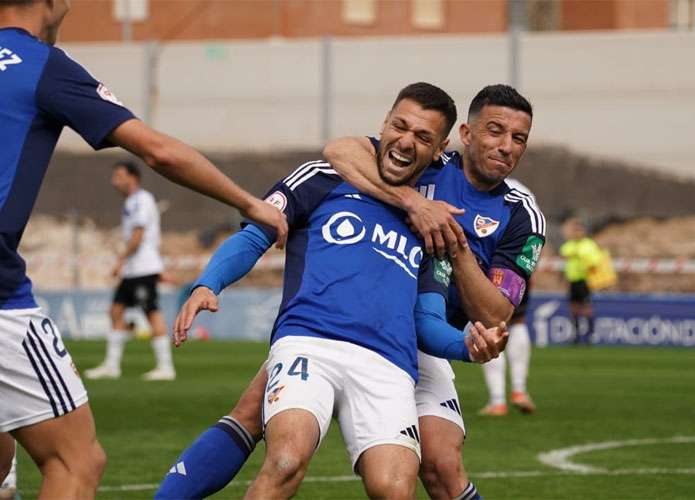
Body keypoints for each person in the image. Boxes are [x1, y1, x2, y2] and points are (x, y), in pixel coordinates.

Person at [157, 83, 508, 500]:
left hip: (388, 364)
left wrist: (468, 345)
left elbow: (426, 319)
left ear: (439, 150)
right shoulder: (323, 179)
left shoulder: (431, 223)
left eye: (423, 137)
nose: (406, 141)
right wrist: (207, 283)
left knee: (395, 489)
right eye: (400, 126)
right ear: (384, 123)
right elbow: (256, 236)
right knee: (286, 458)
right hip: (310, 344)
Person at [0, 1, 288, 497]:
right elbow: (159, 150)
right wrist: (251, 204)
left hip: (133, 266)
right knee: (76, 461)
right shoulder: (42, 65)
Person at [324, 84, 545, 499]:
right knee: (271, 437)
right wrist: (415, 204)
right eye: (495, 131)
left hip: (428, 339)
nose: (506, 146)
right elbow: (340, 151)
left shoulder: (521, 216)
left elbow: (496, 313)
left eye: (519, 139)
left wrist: (456, 244)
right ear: (466, 133)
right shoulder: (427, 161)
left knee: (443, 467)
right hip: (354, 324)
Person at [84, 161, 175, 381]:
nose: (114, 181)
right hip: (134, 269)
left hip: (142, 267)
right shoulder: (132, 202)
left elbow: (139, 234)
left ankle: (165, 367)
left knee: (151, 312)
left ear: (132, 177)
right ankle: (112, 365)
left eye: (119, 176)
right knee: (116, 311)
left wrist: (120, 260)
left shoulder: (141, 200)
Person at [478, 178, 538, 416]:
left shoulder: (476, 187)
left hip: (485, 267)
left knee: (488, 325)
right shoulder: (523, 190)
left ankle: (497, 400)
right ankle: (520, 391)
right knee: (519, 322)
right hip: (517, 265)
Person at [559, 217, 602, 345]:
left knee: (586, 308)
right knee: (574, 308)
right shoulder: (571, 244)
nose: (578, 233)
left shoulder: (589, 244)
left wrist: (579, 255)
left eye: (580, 231)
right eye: (576, 231)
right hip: (572, 280)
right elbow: (564, 252)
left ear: (584, 232)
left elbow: (594, 260)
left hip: (584, 280)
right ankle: (576, 335)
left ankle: (590, 335)